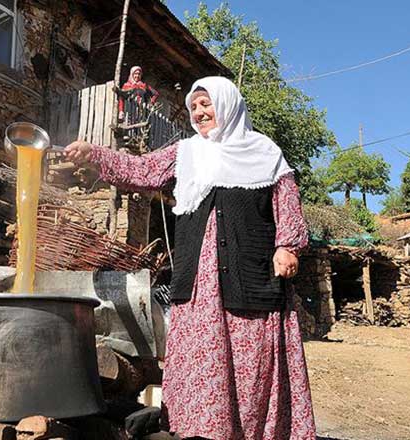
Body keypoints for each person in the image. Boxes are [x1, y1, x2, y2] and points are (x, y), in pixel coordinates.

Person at [65, 76, 315, 440]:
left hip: (251, 281)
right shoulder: (187, 153)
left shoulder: (264, 153)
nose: (199, 112)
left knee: (251, 366)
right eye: (194, 107)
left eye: (205, 104)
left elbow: (287, 203)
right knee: (203, 363)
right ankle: (204, 432)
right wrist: (95, 153)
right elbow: (142, 171)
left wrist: (287, 245)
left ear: (227, 104)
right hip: (199, 287)